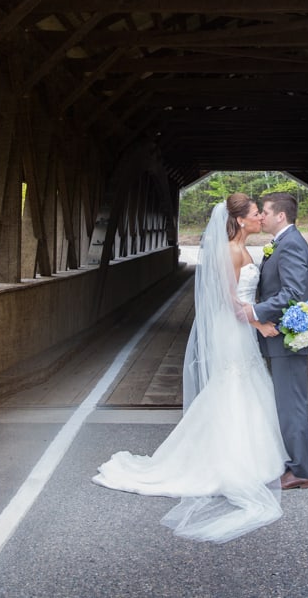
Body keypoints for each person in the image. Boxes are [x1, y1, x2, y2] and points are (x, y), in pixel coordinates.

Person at [92, 194, 289, 543]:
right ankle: (229, 461)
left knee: (241, 389)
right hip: (234, 330)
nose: (261, 217)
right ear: (241, 220)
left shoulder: (245, 249)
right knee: (232, 388)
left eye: (261, 213)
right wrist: (258, 324)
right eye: (257, 213)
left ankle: (250, 458)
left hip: (240, 329)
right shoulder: (230, 251)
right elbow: (229, 299)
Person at [247, 191, 308, 490]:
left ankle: (300, 470)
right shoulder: (283, 243)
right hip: (280, 339)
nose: (261, 216)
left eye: (265, 211)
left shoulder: (291, 246)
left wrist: (253, 312)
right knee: (286, 404)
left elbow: (293, 293)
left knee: (291, 406)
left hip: (287, 340)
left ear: (281, 216)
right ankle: (293, 463)